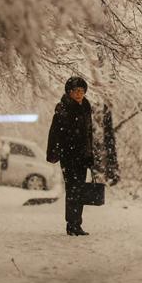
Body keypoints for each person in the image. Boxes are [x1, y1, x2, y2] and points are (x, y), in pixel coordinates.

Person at [46, 76, 94, 236]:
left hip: (82, 156)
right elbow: (54, 133)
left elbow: (89, 135)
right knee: (72, 189)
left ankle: (77, 224)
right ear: (69, 92)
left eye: (82, 91)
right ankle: (71, 224)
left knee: (79, 190)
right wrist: (54, 152)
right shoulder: (63, 109)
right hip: (69, 155)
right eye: (76, 91)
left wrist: (89, 153)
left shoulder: (86, 108)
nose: (79, 94)